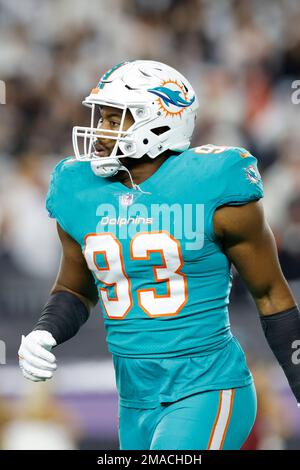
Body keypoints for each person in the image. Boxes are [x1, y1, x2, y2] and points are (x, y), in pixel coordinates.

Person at [18, 60, 300, 450]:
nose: (99, 131)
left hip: (208, 387)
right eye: (100, 116)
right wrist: (45, 330)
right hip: (134, 401)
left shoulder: (213, 181)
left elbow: (270, 294)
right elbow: (74, 287)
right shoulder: (76, 187)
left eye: (116, 119)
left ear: (160, 122)